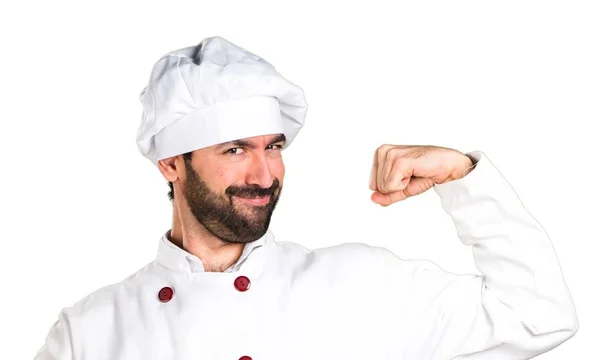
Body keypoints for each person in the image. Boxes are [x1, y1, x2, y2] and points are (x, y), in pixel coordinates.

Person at [34, 36, 578, 360]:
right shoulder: (90, 333)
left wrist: (461, 178)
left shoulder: (358, 285)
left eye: (273, 146)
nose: (265, 172)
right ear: (171, 163)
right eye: (234, 149)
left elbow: (537, 317)